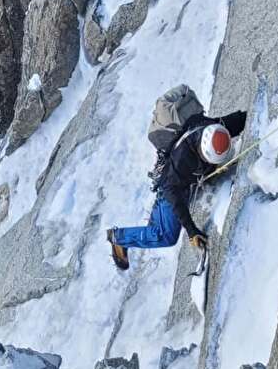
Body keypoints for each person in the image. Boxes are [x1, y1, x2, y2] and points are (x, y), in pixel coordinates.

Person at [106, 107, 247, 269]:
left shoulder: (214, 130)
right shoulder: (183, 160)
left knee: (157, 228)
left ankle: (142, 229)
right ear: (202, 151)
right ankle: (119, 238)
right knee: (165, 235)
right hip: (168, 187)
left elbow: (239, 120)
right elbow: (172, 193)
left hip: (176, 178)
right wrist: (192, 230)